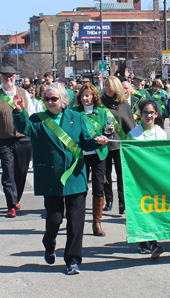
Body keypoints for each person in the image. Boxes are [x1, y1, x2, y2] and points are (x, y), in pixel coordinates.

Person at [12, 82, 108, 275]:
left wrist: (98, 141)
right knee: (55, 220)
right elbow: (24, 127)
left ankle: (72, 260)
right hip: (52, 177)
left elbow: (85, 141)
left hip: (74, 175)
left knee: (76, 220)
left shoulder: (76, 117)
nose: (49, 102)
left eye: (53, 99)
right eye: (46, 99)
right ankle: (49, 243)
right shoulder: (38, 119)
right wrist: (18, 111)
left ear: (63, 100)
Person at [0, 66, 35, 217]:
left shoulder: (24, 93)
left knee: (21, 171)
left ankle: (16, 197)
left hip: (23, 139)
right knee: (8, 171)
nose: (8, 79)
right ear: (1, 78)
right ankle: (11, 204)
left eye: (11, 76)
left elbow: (32, 115)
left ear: (15, 78)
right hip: (4, 140)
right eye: (5, 77)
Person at [127, 100, 166, 258]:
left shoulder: (161, 133)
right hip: (139, 178)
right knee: (142, 209)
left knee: (155, 208)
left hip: (156, 177)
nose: (148, 115)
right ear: (140, 115)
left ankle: (154, 241)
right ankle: (143, 242)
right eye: (145, 112)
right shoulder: (133, 134)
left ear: (156, 114)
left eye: (151, 112)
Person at [71, 83, 109, 236]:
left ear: (94, 96)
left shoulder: (101, 112)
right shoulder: (73, 112)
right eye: (83, 95)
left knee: (99, 187)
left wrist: (108, 132)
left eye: (88, 95)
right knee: (80, 189)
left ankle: (97, 223)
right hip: (81, 154)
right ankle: (77, 222)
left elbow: (107, 131)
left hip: (98, 153)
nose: (85, 98)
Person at [101, 76, 136, 213]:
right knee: (106, 174)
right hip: (105, 144)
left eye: (111, 86)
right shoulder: (100, 103)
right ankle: (108, 199)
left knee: (122, 174)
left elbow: (130, 126)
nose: (108, 88)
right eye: (106, 86)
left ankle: (123, 202)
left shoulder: (123, 105)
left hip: (120, 144)